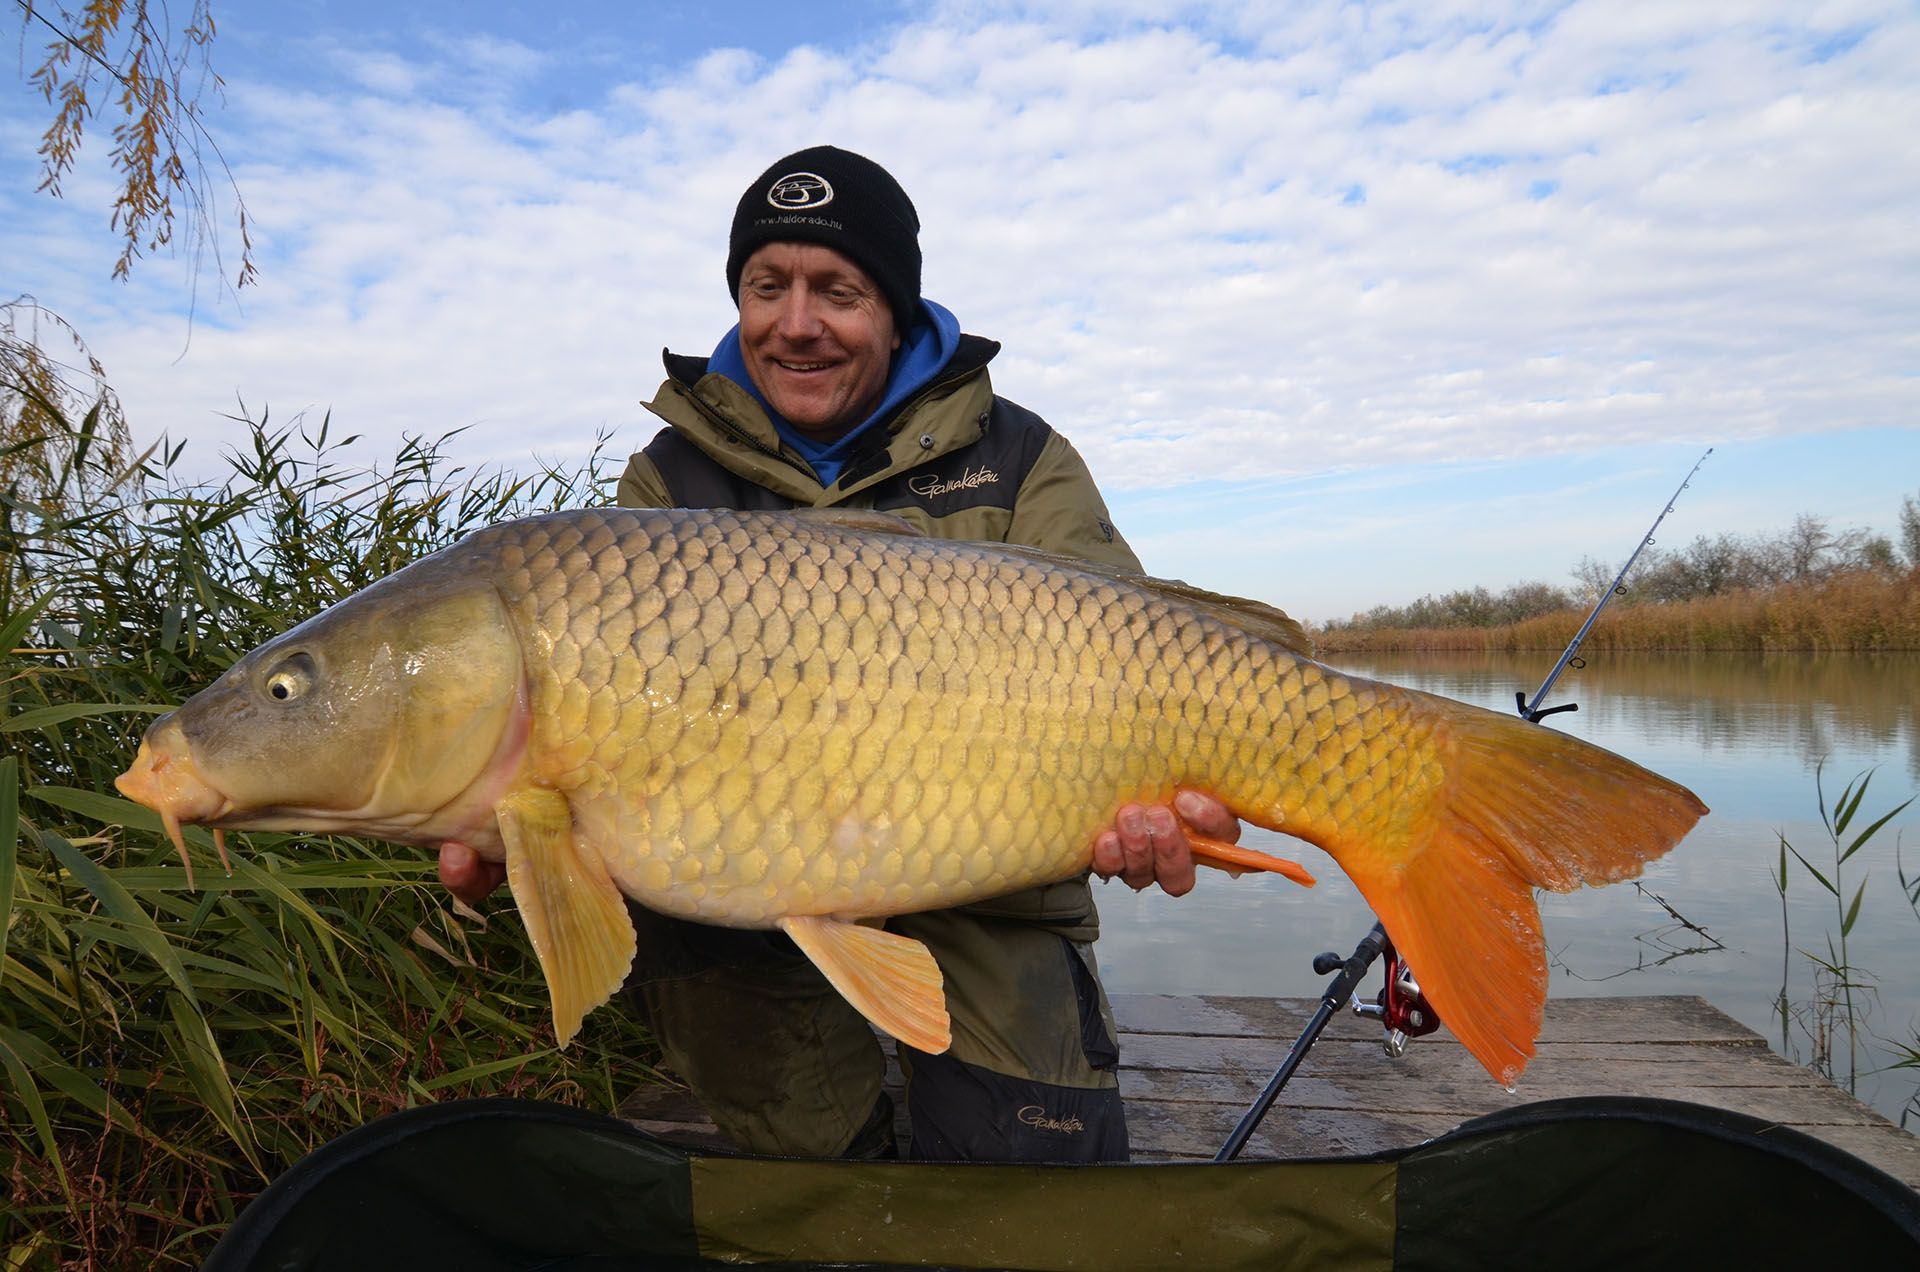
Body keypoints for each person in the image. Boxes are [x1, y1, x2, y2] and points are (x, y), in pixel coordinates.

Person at [438, 145, 1242, 1163]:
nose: (797, 322)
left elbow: (1133, 648)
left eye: (839, 290)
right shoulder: (667, 482)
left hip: (992, 887)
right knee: (811, 1175)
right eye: (766, 287)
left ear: (897, 311)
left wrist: (1161, 808)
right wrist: (526, 826)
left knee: (1035, 1188)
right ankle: (831, 1146)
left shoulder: (1018, 456)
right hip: (744, 898)